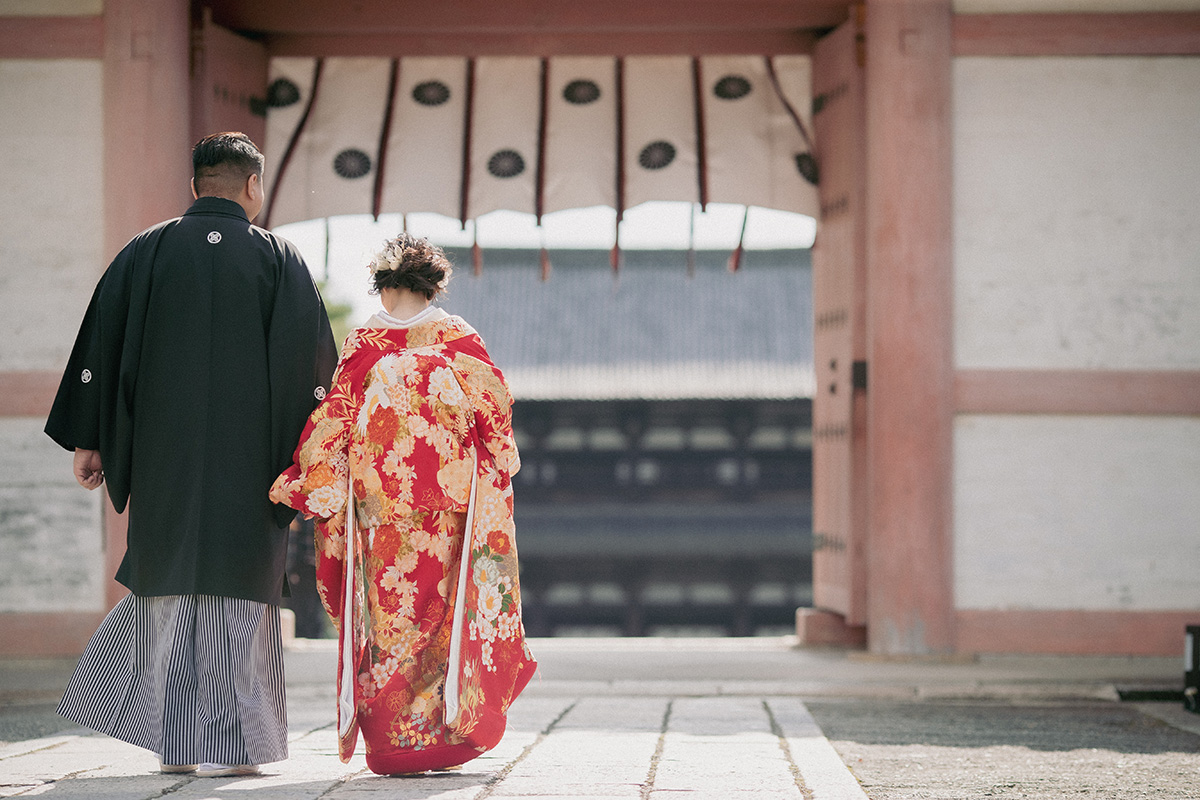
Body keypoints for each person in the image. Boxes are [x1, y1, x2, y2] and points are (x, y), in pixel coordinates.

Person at [45, 132, 337, 777]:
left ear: (196, 183)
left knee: (170, 578)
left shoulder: (145, 252)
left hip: (163, 457)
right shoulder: (278, 259)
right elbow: (310, 368)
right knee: (242, 587)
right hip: (252, 465)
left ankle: (175, 743)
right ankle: (238, 747)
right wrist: (309, 465)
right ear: (252, 187)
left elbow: (102, 350)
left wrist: (93, 440)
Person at [270, 234, 537, 775]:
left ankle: (395, 745)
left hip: (382, 515)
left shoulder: (365, 343)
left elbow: (334, 426)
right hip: (449, 514)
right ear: (433, 286)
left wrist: (307, 484)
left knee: (390, 624)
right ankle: (446, 737)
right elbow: (496, 418)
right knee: (444, 621)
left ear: (385, 286)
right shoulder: (460, 340)